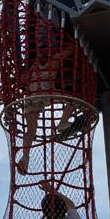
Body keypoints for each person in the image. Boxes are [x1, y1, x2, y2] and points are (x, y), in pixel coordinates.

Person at [16, 21, 80, 175]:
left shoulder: (35, 65)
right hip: (43, 96)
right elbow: (70, 50)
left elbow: (23, 79)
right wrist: (77, 39)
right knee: (73, 99)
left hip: (33, 98)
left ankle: (25, 156)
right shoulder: (53, 60)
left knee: (31, 130)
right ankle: (63, 121)